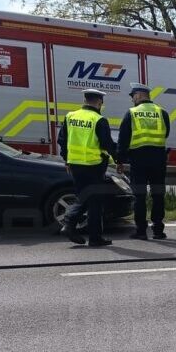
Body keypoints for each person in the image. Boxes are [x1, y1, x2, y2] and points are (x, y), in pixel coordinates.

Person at [56, 89, 117, 247]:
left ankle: (94, 236)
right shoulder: (99, 119)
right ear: (99, 102)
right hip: (94, 165)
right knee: (93, 200)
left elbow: (62, 140)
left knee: (88, 197)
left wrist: (67, 160)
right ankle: (72, 223)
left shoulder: (71, 116)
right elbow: (106, 144)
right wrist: (119, 157)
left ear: (84, 100)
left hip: (75, 164)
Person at [117, 82, 171, 239]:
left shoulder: (131, 113)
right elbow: (166, 133)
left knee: (139, 195)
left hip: (138, 159)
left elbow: (123, 139)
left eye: (133, 96)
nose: (132, 99)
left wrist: (120, 160)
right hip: (158, 158)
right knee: (158, 195)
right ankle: (158, 230)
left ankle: (141, 231)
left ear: (139, 95)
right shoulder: (162, 112)